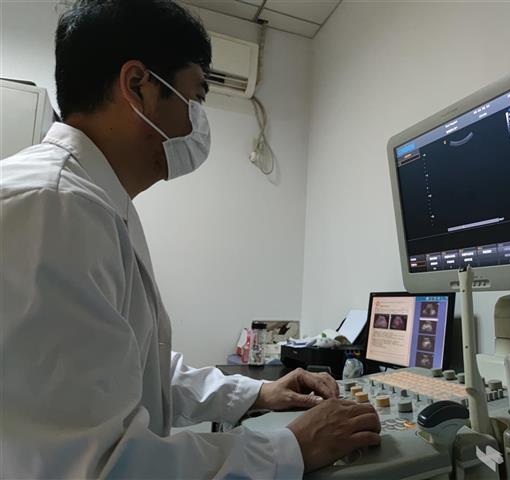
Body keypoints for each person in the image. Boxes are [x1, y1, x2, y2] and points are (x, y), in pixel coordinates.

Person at [0, 1, 380, 478]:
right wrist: (291, 447)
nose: (197, 121)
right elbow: (97, 466)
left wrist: (259, 392)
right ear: (137, 86)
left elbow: (138, 370)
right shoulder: (53, 207)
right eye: (195, 97)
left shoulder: (94, 203)